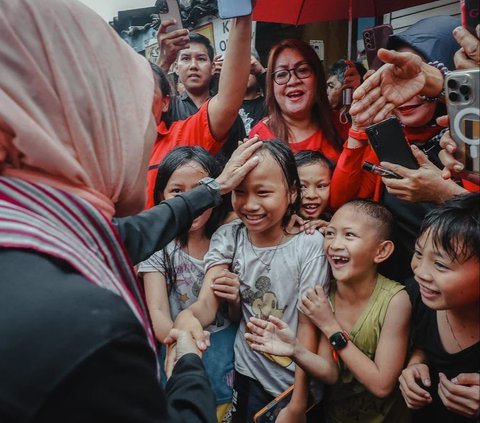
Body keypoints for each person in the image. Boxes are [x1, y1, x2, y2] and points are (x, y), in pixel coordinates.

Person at [0, 0, 263, 421]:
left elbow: (119, 238)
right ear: (83, 118)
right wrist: (188, 362)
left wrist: (210, 192)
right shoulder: (87, 328)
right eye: (128, 111)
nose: (143, 138)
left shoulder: (32, 229)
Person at [174, 141, 330, 423]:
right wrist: (189, 316)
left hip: (294, 386)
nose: (250, 204)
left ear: (292, 192)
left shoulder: (309, 245)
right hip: (247, 374)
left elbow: (309, 325)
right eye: (240, 192)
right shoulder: (229, 236)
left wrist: (297, 402)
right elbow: (208, 302)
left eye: (264, 192)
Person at [246, 199, 412, 423]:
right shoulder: (323, 296)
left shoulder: (395, 300)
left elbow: (382, 385)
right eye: (330, 233)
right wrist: (295, 350)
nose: (334, 244)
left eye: (349, 235)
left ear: (381, 251)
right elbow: (330, 374)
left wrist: (330, 325)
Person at [330, 16, 467, 281]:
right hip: (396, 291)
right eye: (397, 75)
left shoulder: (466, 139)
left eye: (417, 76)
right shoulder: (388, 135)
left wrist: (442, 192)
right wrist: (359, 131)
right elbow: (344, 203)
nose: (409, 93)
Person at [138, 146, 239, 421]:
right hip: (174, 342)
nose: (191, 200)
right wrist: (186, 344)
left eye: (200, 189)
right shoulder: (157, 246)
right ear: (162, 196)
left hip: (222, 347)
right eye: (177, 192)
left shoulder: (229, 236)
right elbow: (158, 315)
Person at [399, 192, 480, 422]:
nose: (420, 272)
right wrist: (416, 363)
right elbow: (424, 343)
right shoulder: (418, 297)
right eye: (418, 253)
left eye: (441, 264)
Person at [155, 22, 246, 166]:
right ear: (176, 68)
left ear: (213, 67)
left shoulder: (229, 114)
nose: (193, 66)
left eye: (201, 59)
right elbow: (140, 114)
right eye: (185, 58)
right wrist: (163, 62)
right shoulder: (167, 107)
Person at [249, 39, 343, 162]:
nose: (293, 81)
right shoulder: (259, 137)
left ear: (317, 77)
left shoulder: (342, 124)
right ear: (271, 86)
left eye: (303, 70)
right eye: (281, 74)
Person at [327, 59, 367, 140]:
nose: (326, 92)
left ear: (348, 89)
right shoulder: (325, 116)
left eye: (331, 86)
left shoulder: (364, 120)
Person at [295, 150, 333, 223]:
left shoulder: (335, 224)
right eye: (302, 186)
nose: (312, 195)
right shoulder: (279, 224)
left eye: (321, 186)